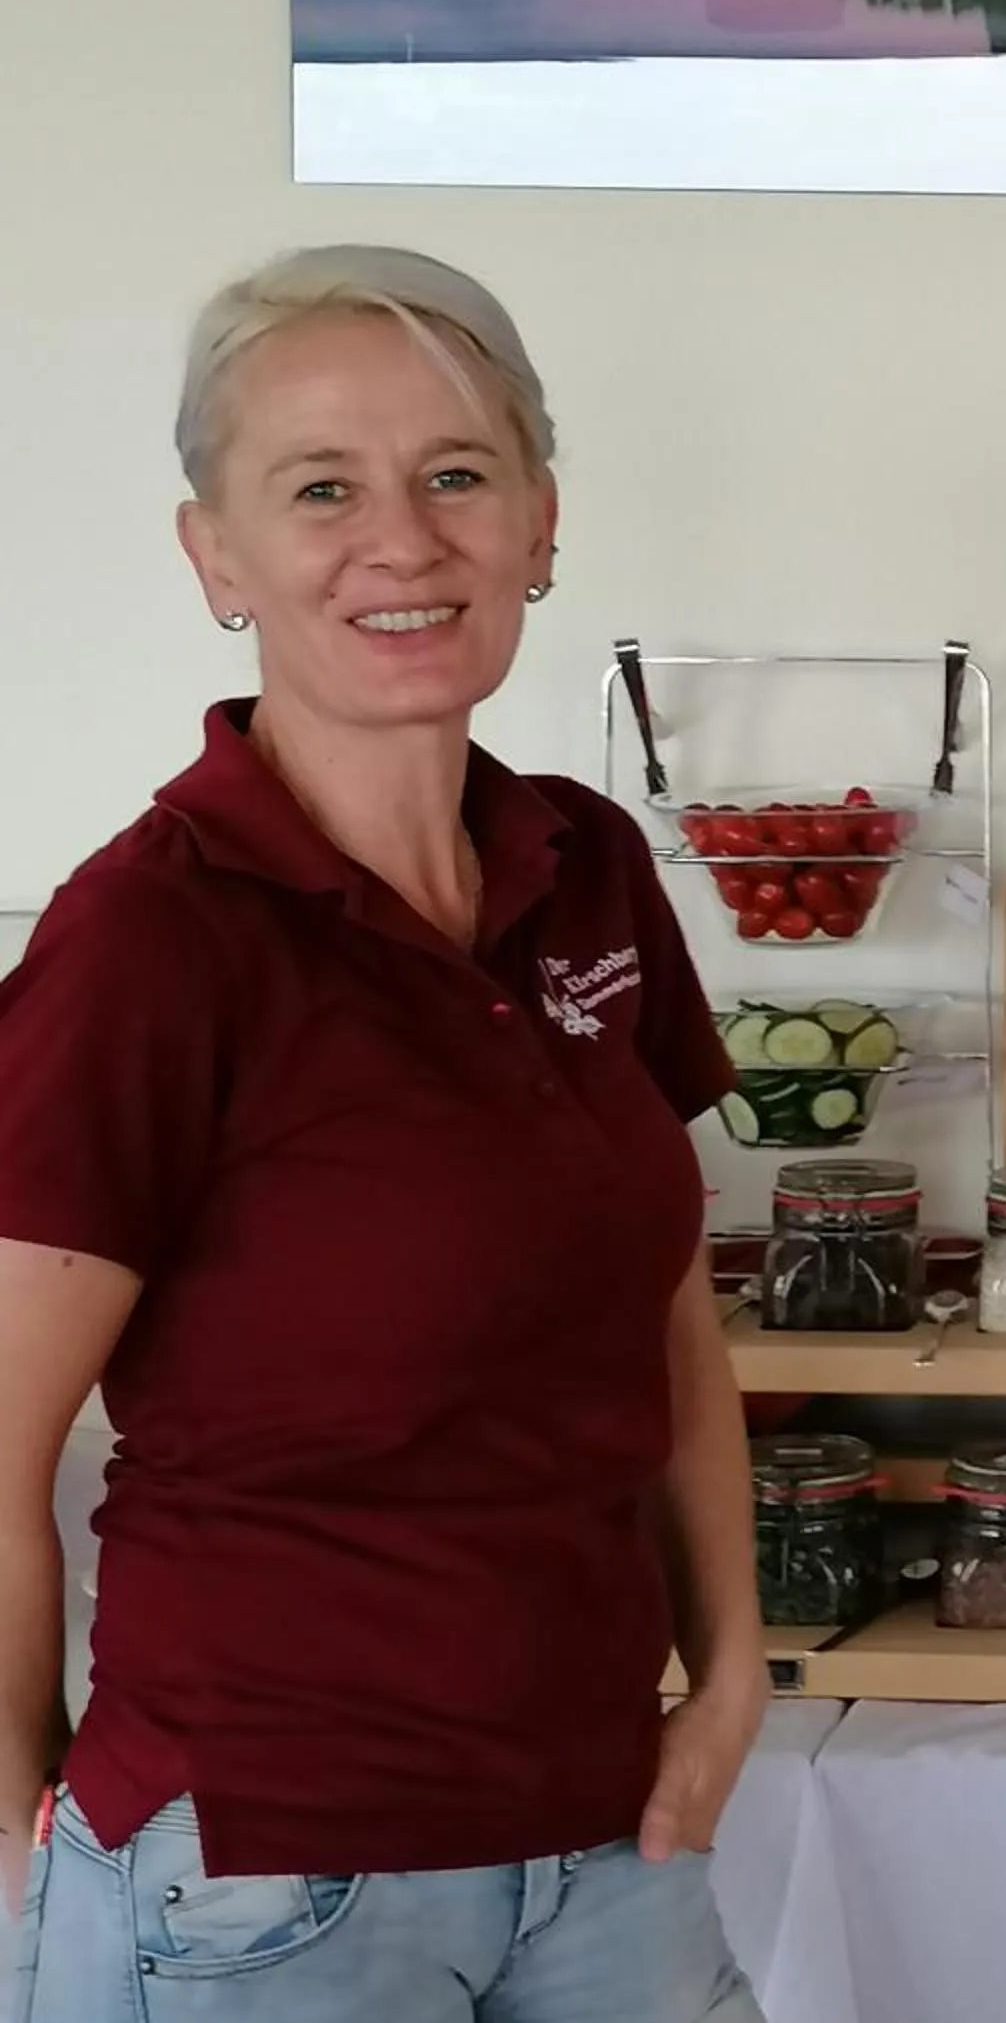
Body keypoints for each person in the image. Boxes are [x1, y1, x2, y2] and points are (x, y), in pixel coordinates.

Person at [0, 247, 767, 2021]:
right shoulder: (150, 943)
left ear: (539, 525)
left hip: (609, 1842)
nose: (402, 541)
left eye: (456, 474)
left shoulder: (587, 867)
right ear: (219, 557)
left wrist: (729, 1678)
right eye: (322, 487)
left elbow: (670, 1324)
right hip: (259, 1873)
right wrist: (15, 1833)